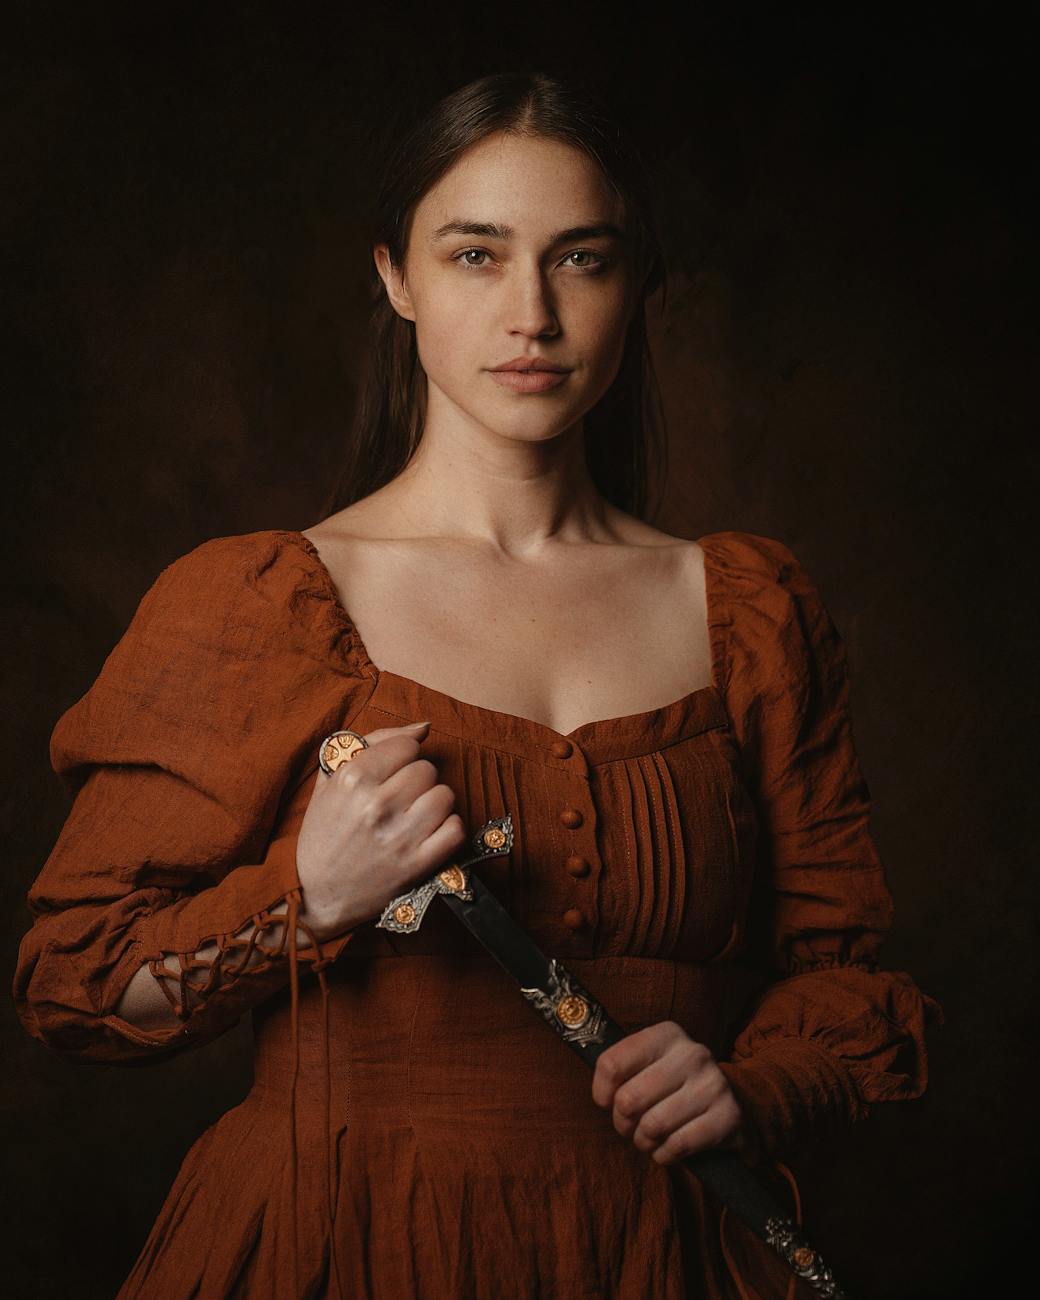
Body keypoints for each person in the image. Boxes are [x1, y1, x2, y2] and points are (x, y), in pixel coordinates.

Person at [13, 70, 939, 1300]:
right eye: (474, 255)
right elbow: (75, 979)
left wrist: (750, 1085)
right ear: (394, 277)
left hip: (660, 1255)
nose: (532, 316)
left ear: (638, 288)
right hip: (338, 1247)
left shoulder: (750, 614)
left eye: (581, 260)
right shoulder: (258, 604)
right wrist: (307, 896)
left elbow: (848, 975)